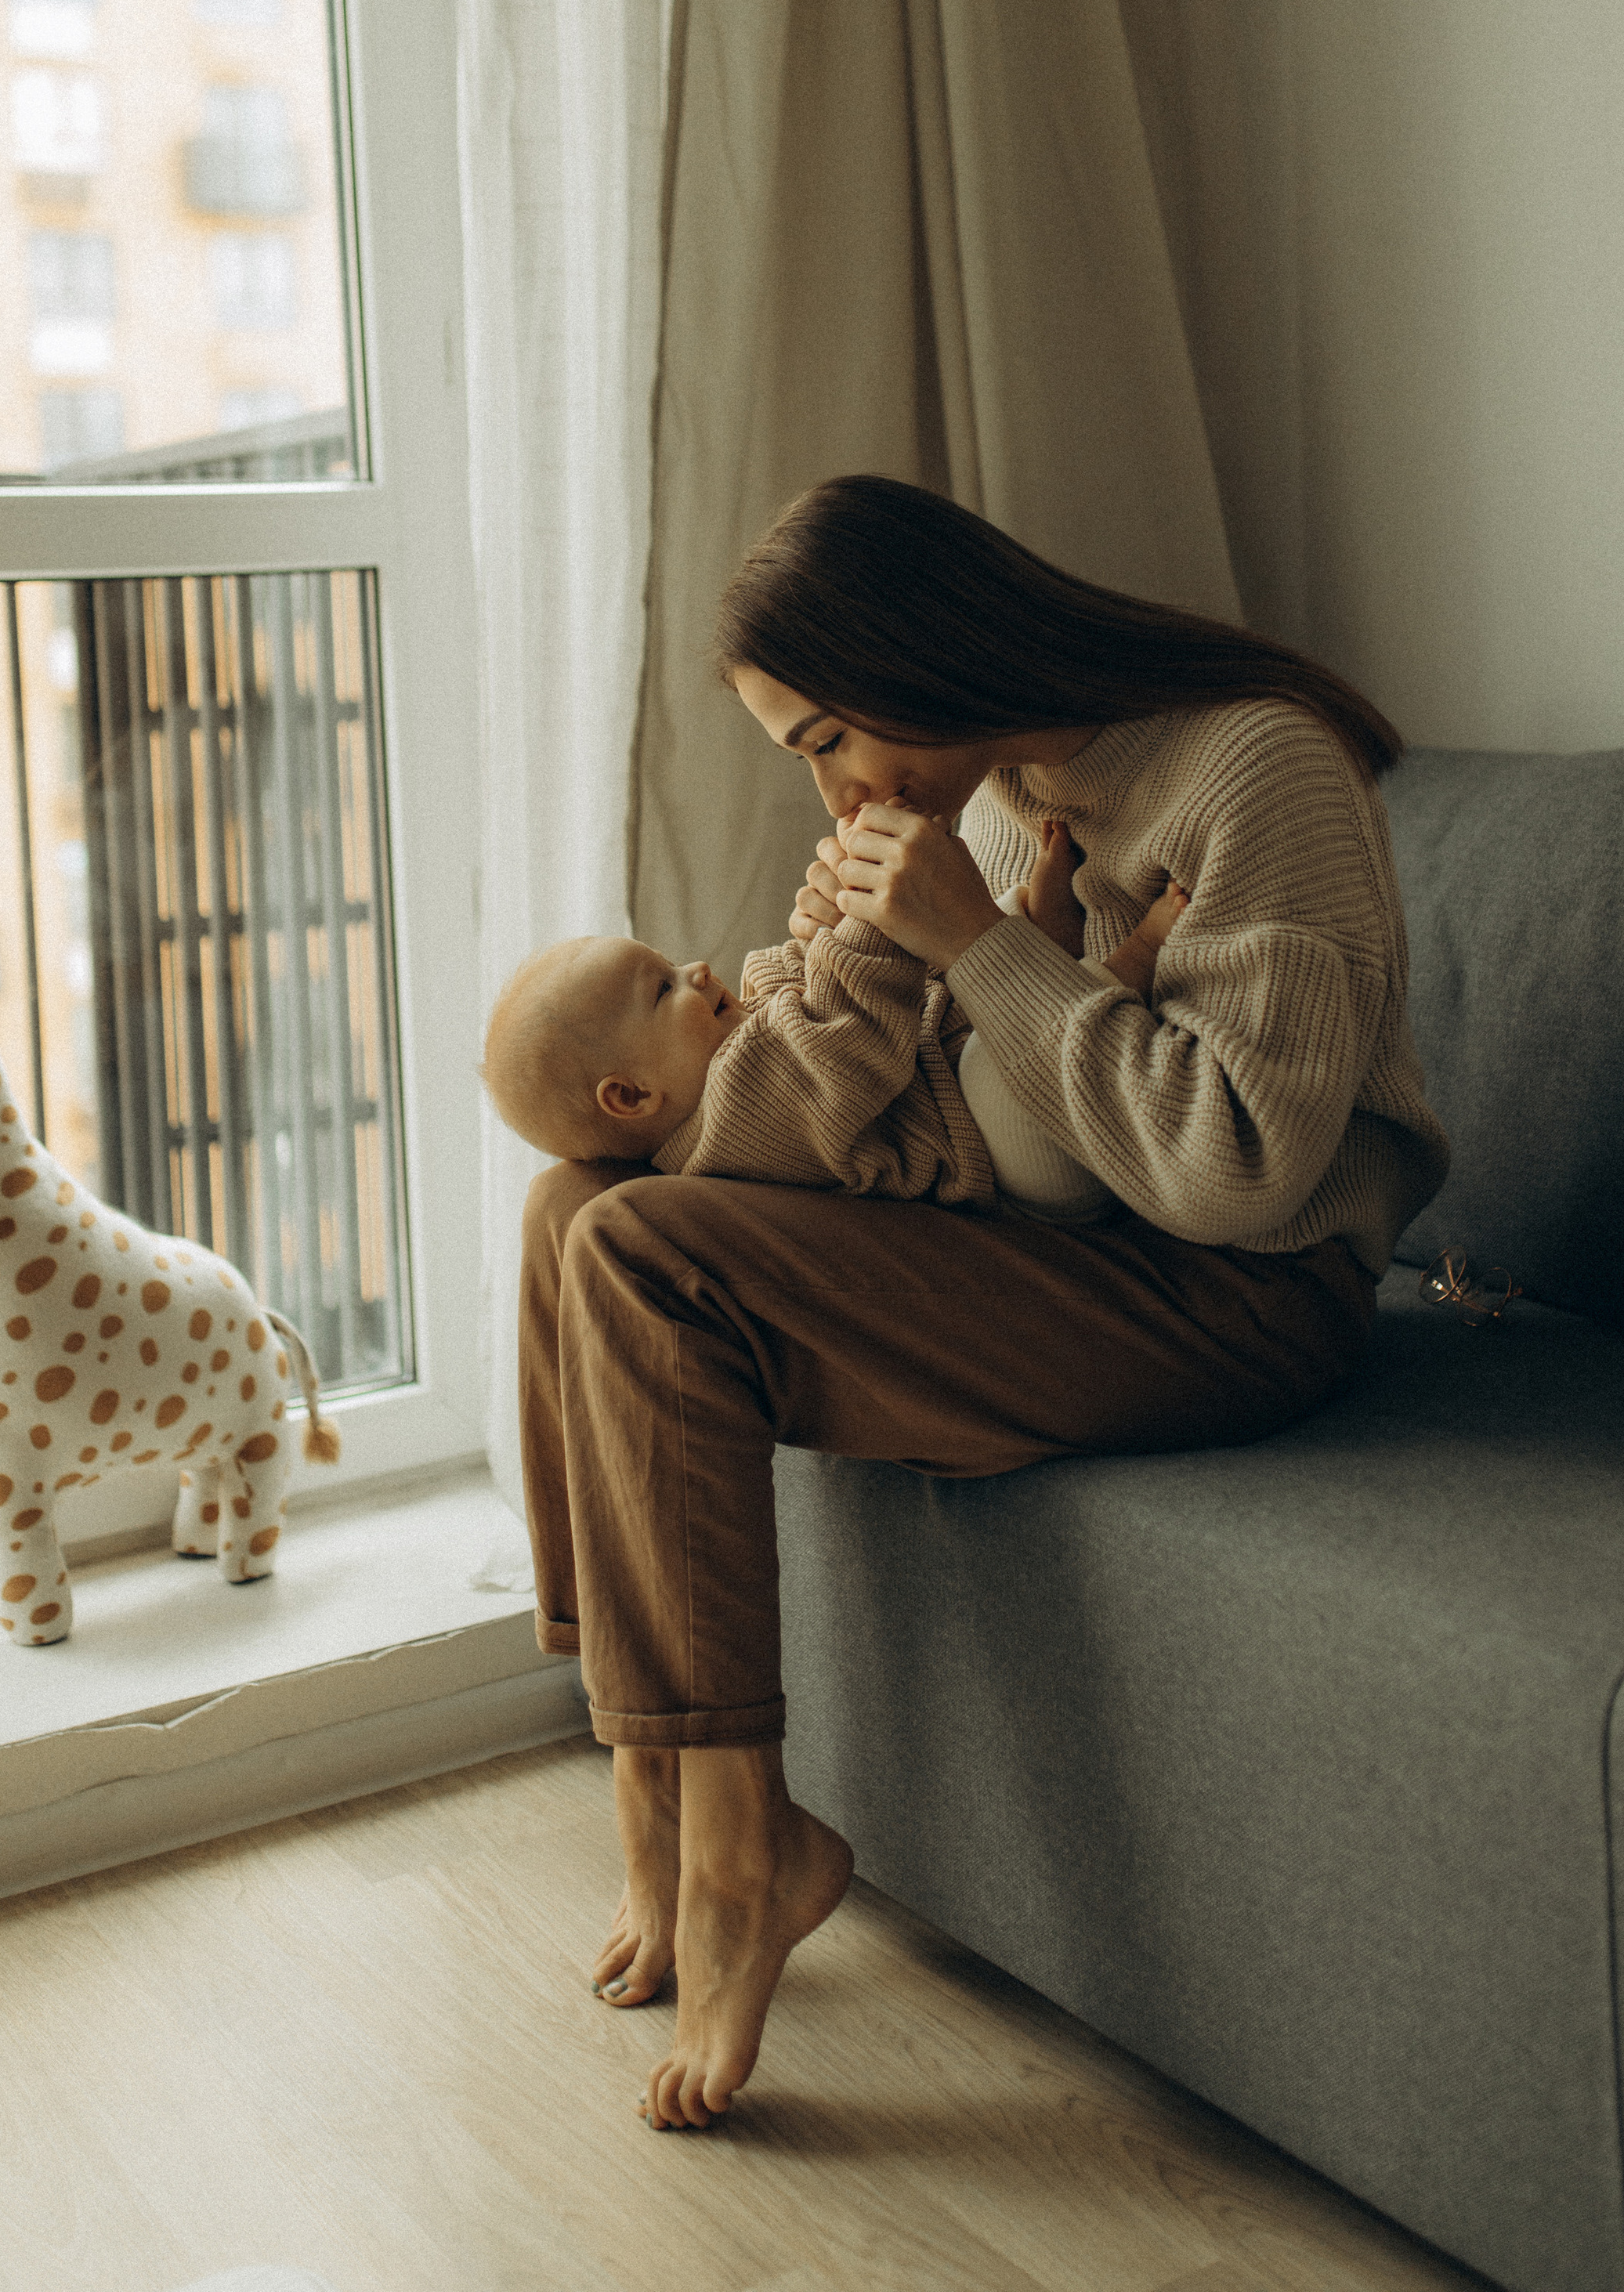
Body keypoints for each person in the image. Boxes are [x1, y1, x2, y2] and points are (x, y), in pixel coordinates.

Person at [520, 476, 1449, 2132]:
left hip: (1242, 1291)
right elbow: (983, 1138)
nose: (826, 786)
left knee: (642, 1251)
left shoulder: (1254, 769)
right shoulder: (1013, 796)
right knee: (574, 1203)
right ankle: (653, 1785)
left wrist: (972, 945)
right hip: (1081, 1249)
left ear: (908, 651)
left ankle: (744, 1849)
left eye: (820, 739)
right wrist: (876, 967)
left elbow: (1232, 1169)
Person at [481, 861, 1187, 1207]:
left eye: (669, 960)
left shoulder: (732, 1061)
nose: (694, 968)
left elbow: (801, 996)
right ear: (632, 1095)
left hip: (935, 1074)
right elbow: (847, 1034)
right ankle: (1132, 963)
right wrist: (870, 919)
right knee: (993, 1074)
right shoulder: (732, 1127)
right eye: (662, 988)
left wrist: (820, 930)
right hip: (1016, 1168)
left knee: (966, 956)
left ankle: (1040, 934)